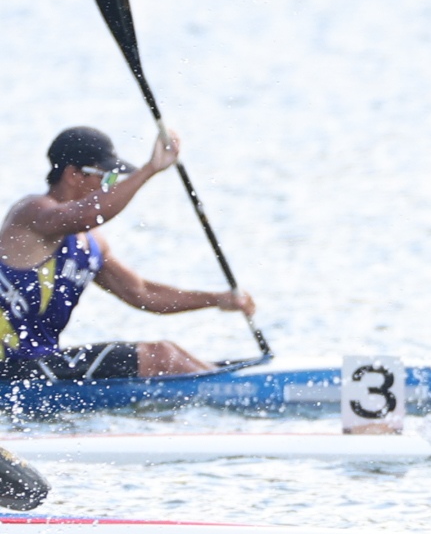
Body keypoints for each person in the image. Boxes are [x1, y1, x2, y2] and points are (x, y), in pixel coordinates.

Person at [0, 126, 257, 383]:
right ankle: (237, 390)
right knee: (161, 355)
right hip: (8, 368)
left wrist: (217, 299)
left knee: (173, 354)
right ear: (73, 174)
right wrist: (149, 169)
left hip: (39, 364)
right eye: (107, 177)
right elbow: (86, 215)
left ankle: (229, 384)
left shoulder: (92, 243)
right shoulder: (31, 213)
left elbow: (142, 293)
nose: (110, 186)